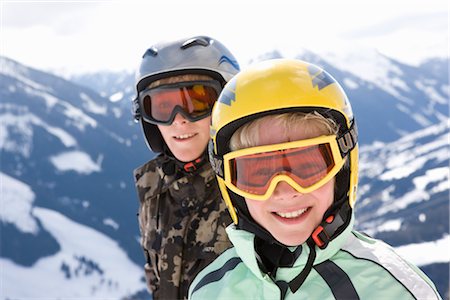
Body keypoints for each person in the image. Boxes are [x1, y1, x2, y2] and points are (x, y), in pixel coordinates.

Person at [189, 59, 442, 299]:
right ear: (231, 185)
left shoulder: (393, 290)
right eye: (258, 173)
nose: (286, 191)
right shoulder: (208, 290)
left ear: (342, 170)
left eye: (307, 166)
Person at [132, 36, 240, 299]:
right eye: (163, 107)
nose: (179, 120)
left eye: (196, 102)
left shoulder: (250, 187)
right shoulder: (154, 188)